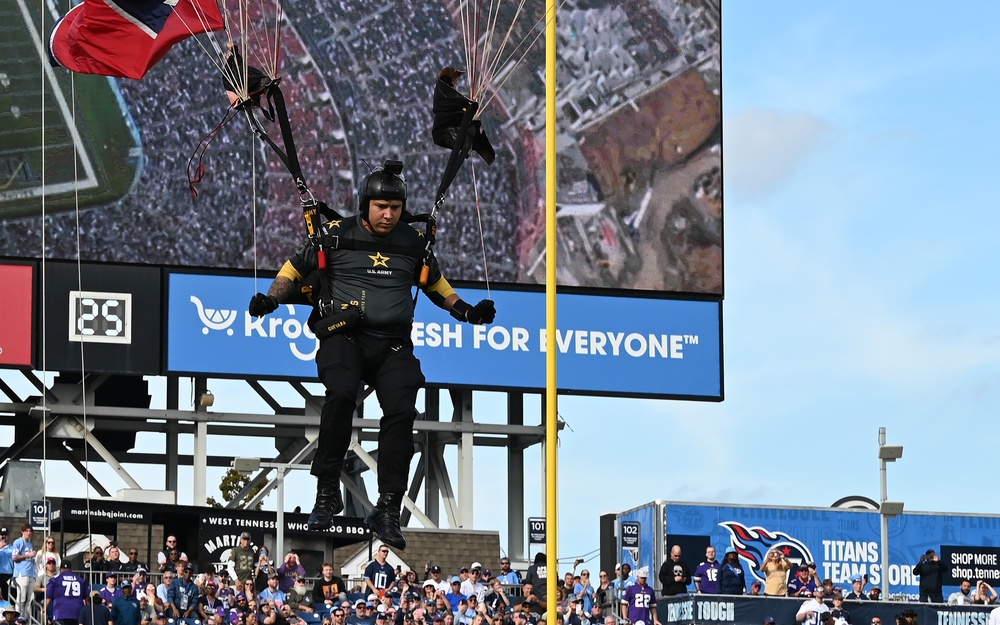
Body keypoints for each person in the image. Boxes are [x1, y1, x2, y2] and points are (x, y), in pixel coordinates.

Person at [250, 160, 496, 547]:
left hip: (392, 343)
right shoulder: (334, 234)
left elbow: (435, 284)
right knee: (342, 392)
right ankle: (327, 491)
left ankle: (387, 505)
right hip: (344, 336)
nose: (388, 215)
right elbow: (293, 271)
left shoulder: (412, 243)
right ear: (365, 204)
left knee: (401, 407)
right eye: (381, 207)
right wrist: (271, 299)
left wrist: (466, 311)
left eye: (395, 208)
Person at [10, 525, 36, 617]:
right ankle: (18, 617)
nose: (29, 533)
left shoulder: (30, 544)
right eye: (27, 531)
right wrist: (29, 555)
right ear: (22, 532)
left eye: (30, 531)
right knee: (22, 597)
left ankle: (24, 618)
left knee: (30, 598)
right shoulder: (18, 542)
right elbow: (14, 557)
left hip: (31, 573)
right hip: (22, 573)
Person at [0, 529, 13, 602]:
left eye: (5, 535)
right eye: (2, 535)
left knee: (7, 598)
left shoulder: (13, 548)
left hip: (9, 575)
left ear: (8, 536)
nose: (3, 537)